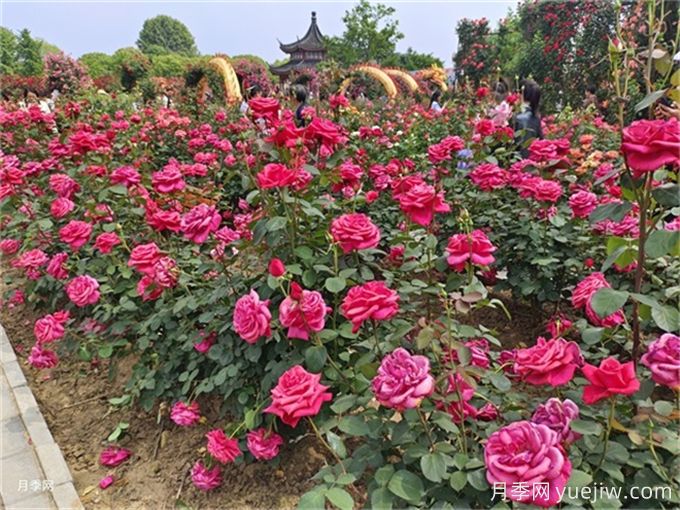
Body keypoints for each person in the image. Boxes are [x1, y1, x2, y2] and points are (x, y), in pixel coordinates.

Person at [514, 79, 542, 155]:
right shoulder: (536, 117)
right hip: (532, 160)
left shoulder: (517, 117)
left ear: (520, 94)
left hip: (517, 161)